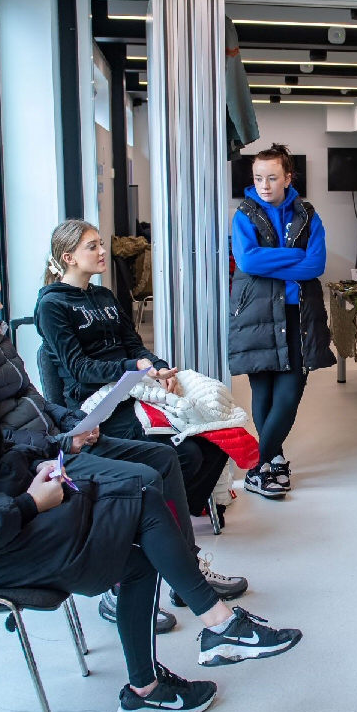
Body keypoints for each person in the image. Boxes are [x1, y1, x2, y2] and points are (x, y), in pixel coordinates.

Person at [0, 291, 303, 712]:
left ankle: (149, 687)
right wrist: (29, 502)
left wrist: (48, 457)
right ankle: (216, 625)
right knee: (141, 496)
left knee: (141, 533)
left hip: (3, 513)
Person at [0, 256, 247, 634]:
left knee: (165, 457)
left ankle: (186, 568)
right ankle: (121, 582)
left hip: (58, 438)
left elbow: (34, 398)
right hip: (35, 458)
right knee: (144, 480)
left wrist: (74, 423)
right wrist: (61, 438)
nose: (0, 306)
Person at [34, 220, 230, 554]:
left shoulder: (104, 296)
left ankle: (165, 515)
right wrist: (133, 368)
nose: (103, 251)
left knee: (217, 437)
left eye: (100, 243)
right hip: (99, 405)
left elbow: (134, 345)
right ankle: (155, 528)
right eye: (92, 246)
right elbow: (80, 370)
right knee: (185, 454)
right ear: (68, 257)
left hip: (133, 390)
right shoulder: (52, 306)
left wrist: (159, 367)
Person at [228, 143, 334, 500]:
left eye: (272, 178)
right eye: (258, 178)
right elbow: (247, 262)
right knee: (263, 392)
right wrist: (293, 256)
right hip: (256, 315)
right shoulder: (244, 213)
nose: (264, 185)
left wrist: (270, 261)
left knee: (288, 395)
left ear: (288, 178)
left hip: (298, 313)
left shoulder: (308, 214)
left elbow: (315, 264)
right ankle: (273, 461)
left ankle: (256, 465)